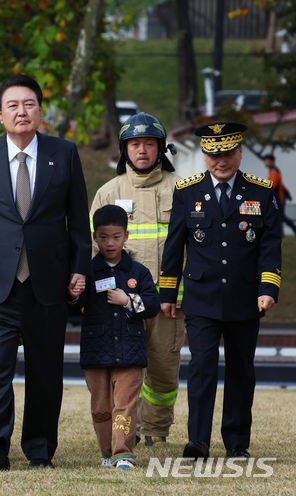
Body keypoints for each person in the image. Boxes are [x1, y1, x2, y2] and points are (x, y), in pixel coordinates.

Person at [0, 74, 91, 470]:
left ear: (40, 110)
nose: (21, 111)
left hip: (49, 282)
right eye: (12, 105)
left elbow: (79, 221)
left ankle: (40, 448)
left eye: (28, 104)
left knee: (46, 371)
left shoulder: (63, 153)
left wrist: (79, 269)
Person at [160, 121, 282, 459]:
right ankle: (197, 441)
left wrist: (268, 287)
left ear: (240, 153)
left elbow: (270, 247)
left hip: (246, 297)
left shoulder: (262, 190)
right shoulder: (187, 191)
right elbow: (174, 246)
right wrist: (168, 294)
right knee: (202, 367)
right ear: (204, 155)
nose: (220, 161)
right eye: (213, 155)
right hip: (201, 298)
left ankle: (236, 443)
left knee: (242, 369)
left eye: (227, 153)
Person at [90, 112, 184, 446]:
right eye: (134, 144)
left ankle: (156, 431)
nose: (142, 150)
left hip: (166, 304)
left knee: (162, 367)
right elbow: (93, 251)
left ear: (162, 149)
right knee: (122, 371)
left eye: (149, 143)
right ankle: (122, 434)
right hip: (118, 304)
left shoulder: (182, 191)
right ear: (124, 149)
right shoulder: (107, 192)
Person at [75, 205, 160, 469]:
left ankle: (123, 453)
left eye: (115, 236)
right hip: (96, 351)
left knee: (125, 405)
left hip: (130, 350)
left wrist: (128, 300)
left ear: (126, 235)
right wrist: (73, 294)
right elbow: (72, 308)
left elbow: (153, 305)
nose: (110, 243)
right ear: (94, 237)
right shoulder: (86, 272)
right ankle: (107, 452)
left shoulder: (138, 272)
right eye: (103, 237)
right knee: (101, 408)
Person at [263, 153, 296, 234]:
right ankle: (280, 233)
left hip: (277, 198)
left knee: (280, 216)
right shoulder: (273, 170)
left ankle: (293, 229)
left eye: (266, 161)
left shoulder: (274, 171)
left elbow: (272, 185)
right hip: (277, 197)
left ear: (271, 161)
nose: (265, 163)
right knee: (278, 217)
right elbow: (281, 185)